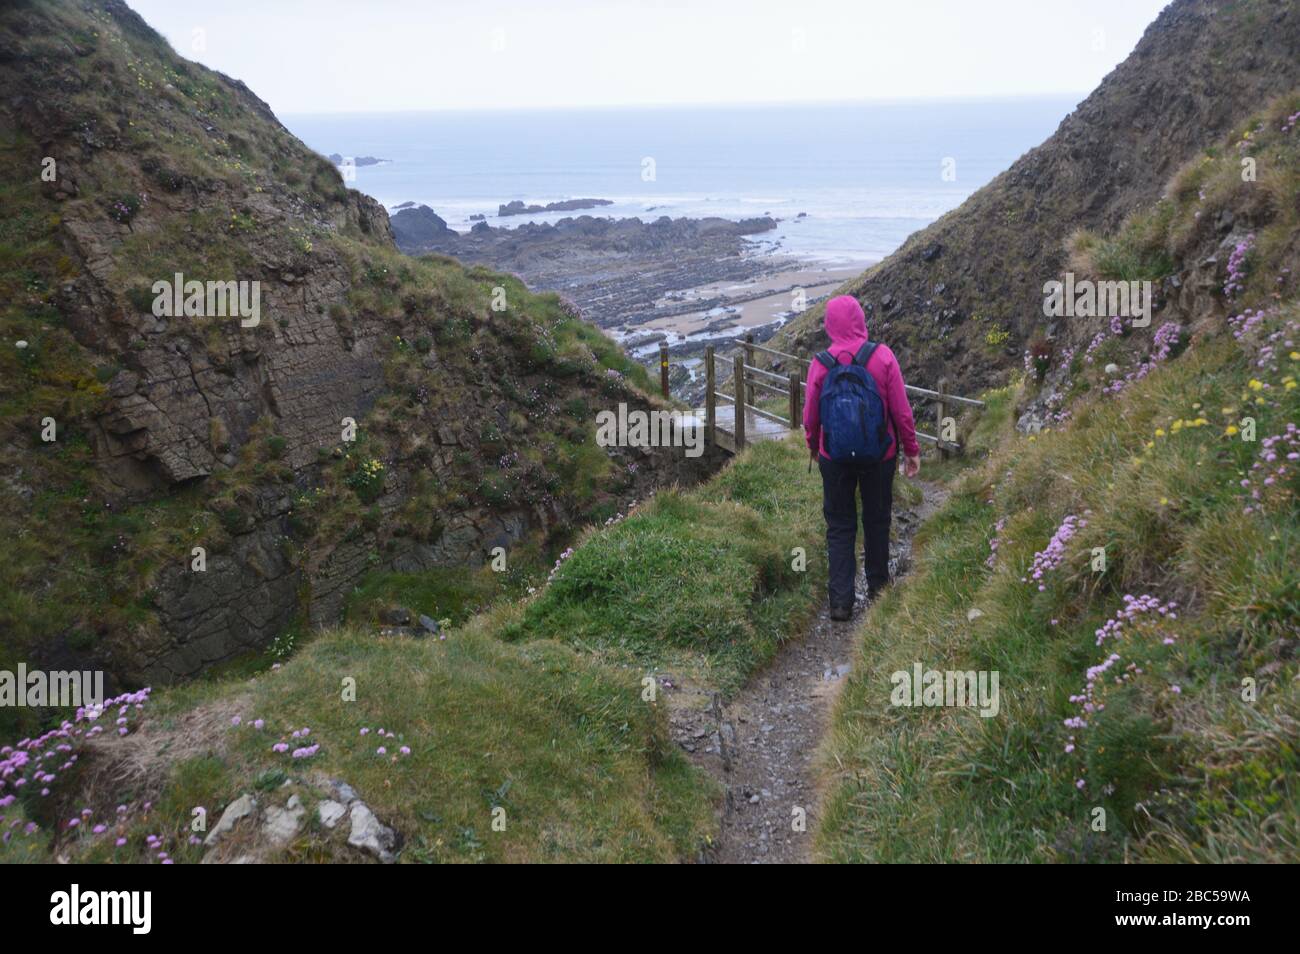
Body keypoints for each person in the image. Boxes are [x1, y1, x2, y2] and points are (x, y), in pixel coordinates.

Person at [803, 294, 920, 621]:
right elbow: (901, 411)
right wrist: (911, 450)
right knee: (877, 519)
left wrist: (814, 445)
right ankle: (878, 591)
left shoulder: (821, 363)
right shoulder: (882, 357)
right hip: (879, 456)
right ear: (860, 320)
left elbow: (810, 415)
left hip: (834, 456)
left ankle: (840, 603)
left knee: (840, 525)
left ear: (830, 324)